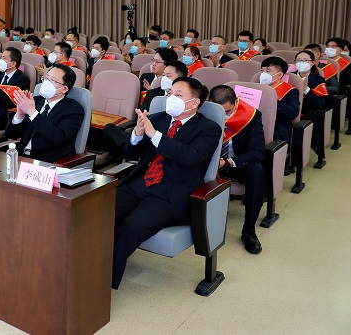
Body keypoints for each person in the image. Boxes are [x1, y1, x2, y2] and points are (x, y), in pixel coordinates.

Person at [113, 77, 220, 289]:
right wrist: (137, 134)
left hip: (171, 194)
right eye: (170, 93)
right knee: (99, 213)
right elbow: (131, 153)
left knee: (130, 227)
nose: (171, 98)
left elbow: (190, 157)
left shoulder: (209, 128)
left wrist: (154, 135)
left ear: (195, 102)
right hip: (139, 183)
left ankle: (100, 283)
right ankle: (82, 263)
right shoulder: (157, 118)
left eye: (178, 95)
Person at [208, 85, 266, 254]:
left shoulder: (251, 116)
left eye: (227, 111)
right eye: (219, 111)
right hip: (209, 162)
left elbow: (257, 152)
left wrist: (228, 161)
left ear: (235, 102)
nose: (223, 115)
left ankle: (249, 230)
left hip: (236, 163)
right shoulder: (205, 112)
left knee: (257, 171)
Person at [94, 61, 188, 162]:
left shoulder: (187, 99)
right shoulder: (152, 93)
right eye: (163, 75)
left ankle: (130, 153)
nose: (164, 79)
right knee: (108, 129)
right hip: (144, 133)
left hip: (165, 136)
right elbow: (142, 115)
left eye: (168, 76)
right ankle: (130, 152)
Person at [5, 63, 83, 162]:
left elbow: (57, 137)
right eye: (46, 78)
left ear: (64, 89)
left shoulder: (73, 109)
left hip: (48, 162)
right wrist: (19, 115)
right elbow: (11, 134)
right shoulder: (36, 101)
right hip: (21, 157)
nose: (46, 83)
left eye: (53, 80)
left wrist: (32, 112)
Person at [259, 56, 299, 144]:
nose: (263, 74)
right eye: (262, 71)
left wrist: (272, 100)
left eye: (268, 71)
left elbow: (293, 113)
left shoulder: (290, 91)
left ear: (280, 74)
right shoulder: (256, 87)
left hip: (277, 127)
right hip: (256, 124)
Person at [0, 47, 30, 130]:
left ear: (13, 63)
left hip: (4, 114)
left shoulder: (22, 80)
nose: (0, 61)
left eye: (4, 58)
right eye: (1, 58)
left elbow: (10, 103)